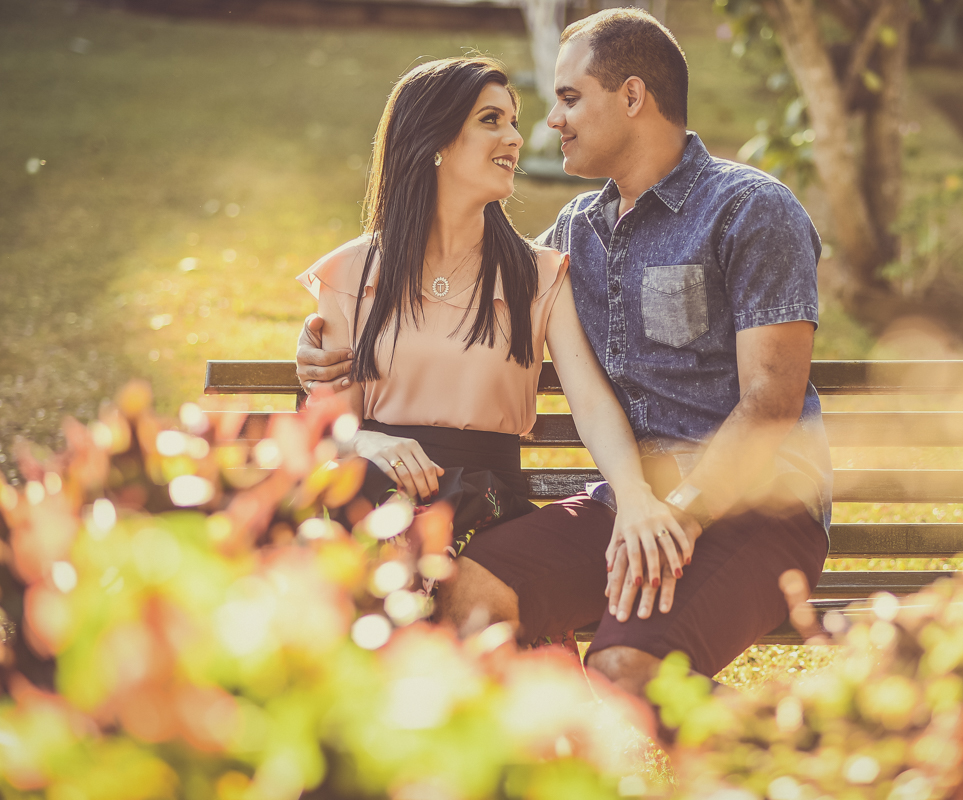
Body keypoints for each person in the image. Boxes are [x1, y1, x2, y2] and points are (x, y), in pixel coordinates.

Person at [298, 10, 832, 700]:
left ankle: (790, 763)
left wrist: (682, 512)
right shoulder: (578, 231)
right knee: (471, 595)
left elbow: (771, 402)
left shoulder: (750, 210)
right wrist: (315, 350)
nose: (546, 124)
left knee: (623, 672)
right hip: (631, 509)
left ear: (632, 97)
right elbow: (463, 273)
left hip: (753, 509)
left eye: (570, 98)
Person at [298, 56, 691, 593]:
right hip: (378, 494)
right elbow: (331, 429)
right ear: (433, 140)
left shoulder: (539, 274)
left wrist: (634, 495)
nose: (515, 138)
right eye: (490, 120)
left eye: (512, 121)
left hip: (486, 510)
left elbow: (594, 404)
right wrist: (367, 443)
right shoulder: (349, 272)